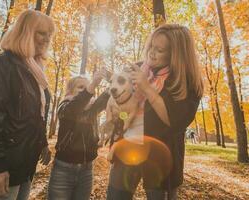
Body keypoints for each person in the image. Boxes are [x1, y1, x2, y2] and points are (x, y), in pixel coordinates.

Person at [107, 24, 204, 200]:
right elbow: (124, 113)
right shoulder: (138, 69)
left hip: (160, 159)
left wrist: (146, 88)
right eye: (151, 46)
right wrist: (117, 116)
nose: (151, 53)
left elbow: (174, 122)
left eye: (159, 50)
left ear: (176, 55)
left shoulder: (186, 82)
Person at [0, 10, 55, 200]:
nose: (47, 39)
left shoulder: (36, 72)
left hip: (25, 167)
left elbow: (35, 116)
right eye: (42, 32)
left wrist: (42, 143)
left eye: (49, 34)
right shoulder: (4, 63)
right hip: (4, 167)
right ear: (25, 32)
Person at [47, 71, 110, 200]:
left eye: (86, 87)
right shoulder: (65, 106)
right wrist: (91, 86)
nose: (85, 90)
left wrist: (113, 79)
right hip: (63, 170)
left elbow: (108, 96)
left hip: (86, 170)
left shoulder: (92, 109)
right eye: (81, 87)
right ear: (70, 91)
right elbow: (75, 107)